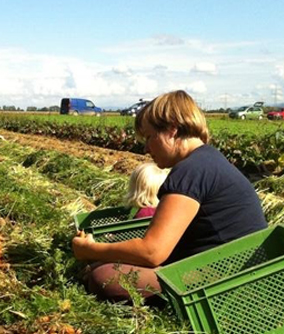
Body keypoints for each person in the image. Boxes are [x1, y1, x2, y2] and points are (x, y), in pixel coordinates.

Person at [72, 90, 267, 300]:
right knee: (106, 266)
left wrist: (92, 250)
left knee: (105, 276)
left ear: (172, 130)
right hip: (230, 267)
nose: (146, 148)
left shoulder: (191, 170)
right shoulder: (206, 160)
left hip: (223, 279)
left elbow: (152, 251)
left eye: (149, 137)